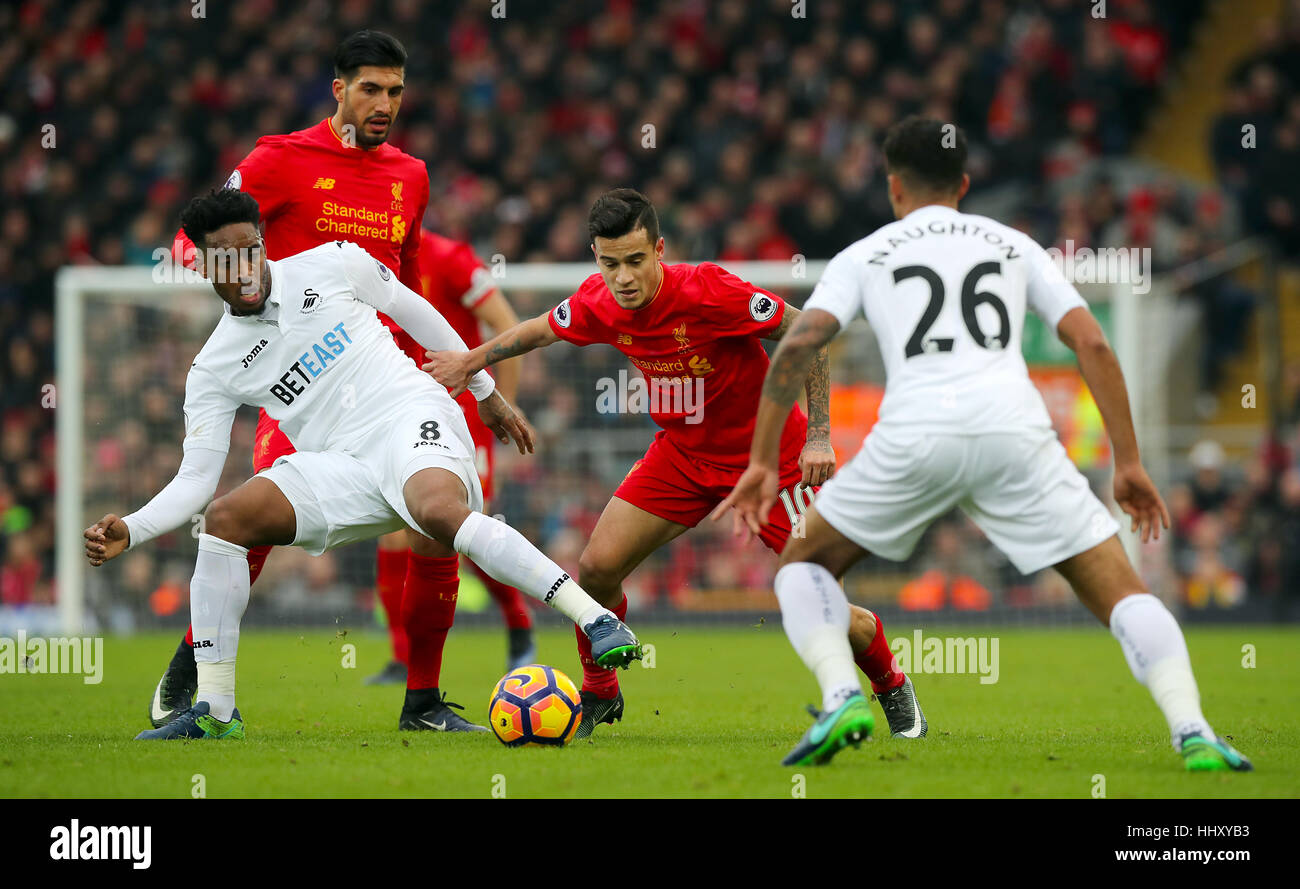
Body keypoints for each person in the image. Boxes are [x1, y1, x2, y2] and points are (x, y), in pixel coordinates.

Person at [715, 116, 1252, 772]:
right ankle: (1193, 729)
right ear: (964, 183)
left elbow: (800, 343)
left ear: (893, 188)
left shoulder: (868, 253)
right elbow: (1091, 341)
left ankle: (840, 696)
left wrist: (764, 461)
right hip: (1013, 434)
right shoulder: (1014, 244)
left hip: (913, 435)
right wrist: (1129, 462)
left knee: (802, 567)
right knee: (1124, 592)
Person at [85, 189, 642, 741]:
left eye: (251, 249)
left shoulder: (334, 263)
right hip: (338, 464)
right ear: (206, 265)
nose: (245, 268)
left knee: (435, 513)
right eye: (227, 259)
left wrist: (484, 388)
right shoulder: (213, 367)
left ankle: (593, 618)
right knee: (226, 521)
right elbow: (195, 481)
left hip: (409, 416)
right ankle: (214, 709)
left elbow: (417, 313)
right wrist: (131, 530)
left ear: (262, 244)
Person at [428, 188, 924, 741]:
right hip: (683, 458)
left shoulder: (709, 291)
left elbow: (808, 331)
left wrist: (820, 435)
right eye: (609, 263)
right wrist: (472, 361)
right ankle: (599, 693)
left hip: (769, 461)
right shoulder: (600, 300)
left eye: (636, 261)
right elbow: (542, 327)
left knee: (814, 594)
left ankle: (891, 683)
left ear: (659, 249)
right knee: (593, 571)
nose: (623, 278)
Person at [155, 29, 524, 732]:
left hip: (381, 373)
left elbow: (407, 282)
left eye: (395, 91)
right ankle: (196, 677)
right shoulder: (277, 158)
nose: (384, 104)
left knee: (432, 528)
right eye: (370, 89)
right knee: (248, 522)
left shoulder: (409, 174)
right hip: (295, 376)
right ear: (339, 90)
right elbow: (191, 238)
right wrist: (210, 271)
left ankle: (422, 702)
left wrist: (445, 374)